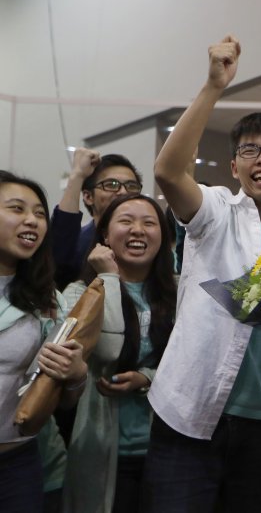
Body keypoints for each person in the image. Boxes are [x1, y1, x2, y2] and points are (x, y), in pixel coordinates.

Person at [144, 35, 261, 513]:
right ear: (234, 166)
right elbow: (168, 171)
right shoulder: (218, 211)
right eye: (250, 151)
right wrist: (212, 87)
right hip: (190, 412)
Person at [61, 194, 176, 513]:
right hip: (100, 449)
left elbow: (194, 364)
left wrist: (147, 377)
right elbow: (109, 350)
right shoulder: (77, 293)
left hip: (166, 451)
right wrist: (109, 277)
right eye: (126, 221)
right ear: (104, 236)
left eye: (149, 223)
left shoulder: (179, 293)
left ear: (163, 239)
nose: (138, 230)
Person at [0, 171, 87, 513]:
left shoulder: (48, 301)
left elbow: (65, 400)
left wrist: (76, 374)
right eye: (17, 209)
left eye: (39, 213)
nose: (32, 220)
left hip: (17, 462)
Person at [51, 151, 143, 290]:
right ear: (88, 197)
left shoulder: (145, 239)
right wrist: (77, 176)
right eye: (111, 185)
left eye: (131, 186)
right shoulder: (78, 244)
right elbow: (57, 258)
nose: (123, 192)